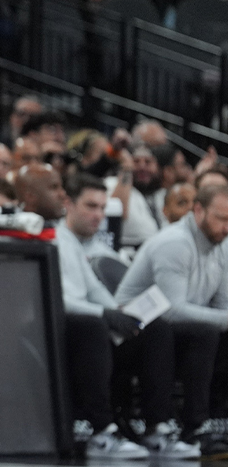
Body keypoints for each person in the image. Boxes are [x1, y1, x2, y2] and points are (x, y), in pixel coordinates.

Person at [42, 172, 194, 458]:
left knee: (156, 329)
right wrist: (106, 314)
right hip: (63, 334)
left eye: (102, 208)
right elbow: (57, 299)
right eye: (90, 206)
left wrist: (121, 313)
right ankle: (101, 432)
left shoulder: (73, 242)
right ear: (69, 204)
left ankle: (156, 428)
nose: (98, 215)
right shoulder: (51, 238)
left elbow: (95, 289)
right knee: (93, 325)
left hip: (92, 329)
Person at [115, 184, 228, 452]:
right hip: (130, 331)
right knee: (203, 331)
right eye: (222, 218)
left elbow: (222, 306)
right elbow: (171, 309)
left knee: (209, 331)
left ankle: (208, 424)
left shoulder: (221, 246)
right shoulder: (175, 243)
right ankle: (170, 426)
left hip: (176, 332)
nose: (227, 227)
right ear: (198, 210)